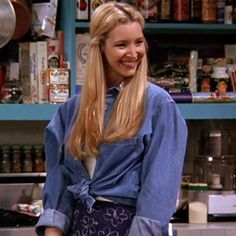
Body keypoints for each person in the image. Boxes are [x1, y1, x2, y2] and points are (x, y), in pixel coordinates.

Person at [35, 2, 188, 236]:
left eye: (138, 42)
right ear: (100, 48)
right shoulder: (70, 111)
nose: (134, 53)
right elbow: (58, 193)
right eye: (121, 45)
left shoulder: (159, 105)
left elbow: (157, 196)